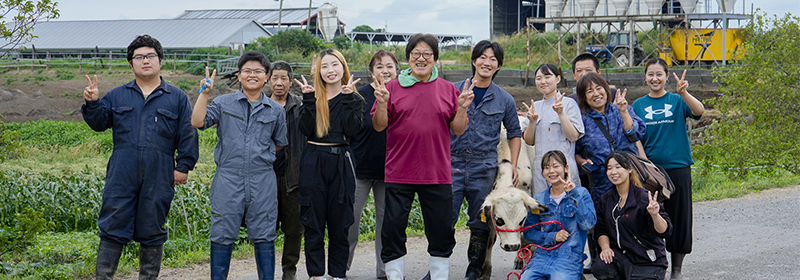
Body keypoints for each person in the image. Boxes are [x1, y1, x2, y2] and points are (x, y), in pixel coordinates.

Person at [82, 34, 199, 280]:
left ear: (159, 60)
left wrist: (184, 166)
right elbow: (99, 123)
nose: (145, 61)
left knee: (152, 226)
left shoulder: (176, 97)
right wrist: (93, 103)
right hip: (122, 169)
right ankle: (104, 276)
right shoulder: (117, 95)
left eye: (150, 56)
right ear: (131, 63)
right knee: (113, 223)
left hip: (160, 170)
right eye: (139, 57)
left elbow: (187, 134)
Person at [372, 33, 473, 280]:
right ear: (408, 58)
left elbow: (458, 129)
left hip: (437, 173)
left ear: (435, 59)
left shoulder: (449, 89)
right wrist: (383, 103)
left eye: (427, 54)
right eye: (416, 53)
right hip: (399, 172)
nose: (421, 58)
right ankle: (395, 276)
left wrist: (461, 108)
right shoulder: (391, 88)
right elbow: (378, 125)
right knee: (393, 229)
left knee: (440, 231)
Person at [191, 51, 288, 280]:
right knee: (222, 232)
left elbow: (279, 144)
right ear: (239, 75)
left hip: (262, 179)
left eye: (258, 71)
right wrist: (204, 94)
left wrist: (258, 157)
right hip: (228, 178)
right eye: (247, 71)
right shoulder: (224, 103)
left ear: (266, 77)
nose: (252, 75)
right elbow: (197, 121)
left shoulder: (276, 110)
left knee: (265, 234)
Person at [450, 40, 521, 280]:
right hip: (452, 163)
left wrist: (510, 165)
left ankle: (475, 270)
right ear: (474, 60)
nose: (487, 62)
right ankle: (437, 268)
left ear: (498, 66)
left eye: (493, 59)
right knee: (444, 219)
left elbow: (514, 133)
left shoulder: (505, 99)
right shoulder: (453, 90)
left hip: (484, 167)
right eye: (483, 57)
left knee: (480, 222)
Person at [631, 58, 704, 280]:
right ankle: (653, 264)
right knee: (649, 215)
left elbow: (699, 112)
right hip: (651, 172)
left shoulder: (676, 100)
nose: (655, 78)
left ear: (666, 76)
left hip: (678, 167)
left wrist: (684, 93)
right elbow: (634, 135)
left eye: (659, 74)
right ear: (645, 76)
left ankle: (677, 269)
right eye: (650, 74)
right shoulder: (638, 105)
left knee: (680, 217)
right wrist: (643, 160)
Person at [295, 48, 363, 280]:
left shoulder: (353, 98)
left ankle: (338, 274)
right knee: (313, 223)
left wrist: (346, 99)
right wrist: (308, 98)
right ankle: (316, 275)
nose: (330, 70)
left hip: (341, 162)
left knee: (340, 225)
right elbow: (305, 129)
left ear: (343, 67)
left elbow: (352, 131)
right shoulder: (313, 96)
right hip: (313, 160)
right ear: (318, 71)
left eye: (335, 64)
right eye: (324, 66)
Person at [347, 50, 398, 280]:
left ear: (397, 70)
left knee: (386, 224)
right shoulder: (359, 95)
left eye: (389, 66)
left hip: (392, 170)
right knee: (350, 222)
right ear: (371, 72)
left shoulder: (402, 94)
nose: (385, 70)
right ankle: (340, 268)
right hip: (359, 169)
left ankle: (384, 271)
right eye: (379, 67)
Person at [592, 151, 672, 280]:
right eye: (609, 168)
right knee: (600, 267)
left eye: (618, 167)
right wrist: (605, 248)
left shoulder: (644, 197)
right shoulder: (605, 199)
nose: (613, 172)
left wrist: (655, 215)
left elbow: (665, 231)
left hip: (647, 260)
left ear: (629, 169)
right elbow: (601, 229)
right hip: (622, 258)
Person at [521, 150, 596, 280]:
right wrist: (553, 236)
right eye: (546, 167)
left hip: (570, 256)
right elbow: (529, 233)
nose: (551, 171)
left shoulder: (581, 193)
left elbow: (588, 224)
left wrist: (573, 194)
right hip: (542, 255)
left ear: (566, 168)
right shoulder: (539, 199)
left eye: (556, 166)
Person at [574, 72, 646, 202]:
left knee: (634, 213)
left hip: (630, 178)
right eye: (589, 91)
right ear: (584, 97)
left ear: (606, 90)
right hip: (602, 183)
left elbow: (636, 134)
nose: (596, 94)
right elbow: (575, 150)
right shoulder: (582, 121)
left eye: (599, 88)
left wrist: (623, 112)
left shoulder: (624, 109)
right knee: (606, 217)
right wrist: (581, 161)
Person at [520, 63, 584, 196]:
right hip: (541, 169)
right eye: (538, 78)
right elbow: (529, 141)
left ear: (558, 79)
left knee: (569, 206)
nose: (542, 81)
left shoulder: (569, 104)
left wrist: (561, 113)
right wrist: (532, 122)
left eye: (547, 76)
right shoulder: (535, 106)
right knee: (544, 208)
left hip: (564, 167)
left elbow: (573, 137)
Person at [267, 61, 306, 280]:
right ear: (268, 80)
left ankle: (288, 272)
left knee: (294, 229)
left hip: (294, 178)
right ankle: (267, 271)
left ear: (291, 81)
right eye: (275, 78)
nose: (279, 83)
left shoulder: (300, 106)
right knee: (266, 228)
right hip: (266, 177)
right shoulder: (260, 105)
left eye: (284, 78)